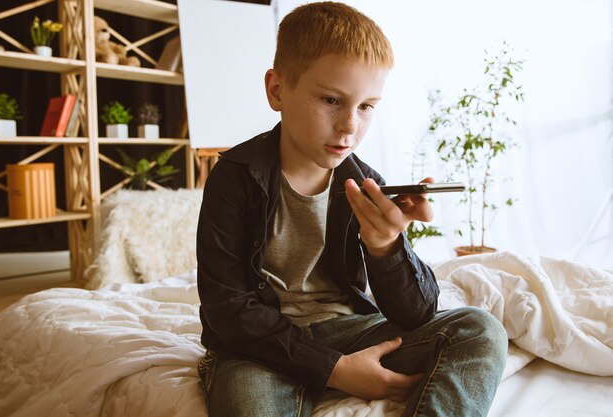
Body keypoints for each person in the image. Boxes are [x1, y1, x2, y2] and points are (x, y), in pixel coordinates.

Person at [196, 2, 507, 416]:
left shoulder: (365, 183)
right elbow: (227, 310)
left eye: (366, 106)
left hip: (347, 329)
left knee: (480, 330)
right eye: (331, 100)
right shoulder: (234, 177)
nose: (349, 126)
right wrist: (336, 371)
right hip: (256, 347)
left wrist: (386, 245)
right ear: (277, 90)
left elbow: (415, 314)